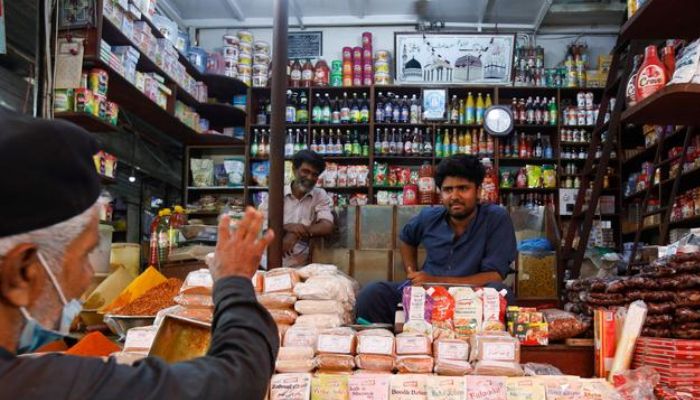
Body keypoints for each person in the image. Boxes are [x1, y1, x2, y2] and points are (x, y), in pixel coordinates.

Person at [0, 109, 278, 399]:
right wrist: (233, 281)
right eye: (86, 255)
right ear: (22, 272)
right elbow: (236, 380)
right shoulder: (51, 387)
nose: (87, 279)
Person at [356, 154, 517, 324]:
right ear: (441, 193)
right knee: (372, 294)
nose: (454, 196)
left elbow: (494, 275)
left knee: (500, 292)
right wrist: (412, 273)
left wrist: (435, 281)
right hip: (427, 296)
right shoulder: (429, 216)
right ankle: (384, 344)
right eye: (448, 190)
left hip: (472, 298)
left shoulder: (496, 218)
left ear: (477, 191)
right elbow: (407, 238)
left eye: (463, 188)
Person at [260, 149, 335, 268]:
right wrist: (289, 227)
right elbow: (263, 228)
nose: (309, 177)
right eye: (305, 171)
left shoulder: (320, 195)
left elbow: (327, 226)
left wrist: (296, 233)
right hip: (268, 263)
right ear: (294, 170)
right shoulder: (276, 193)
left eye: (314, 174)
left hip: (301, 266)